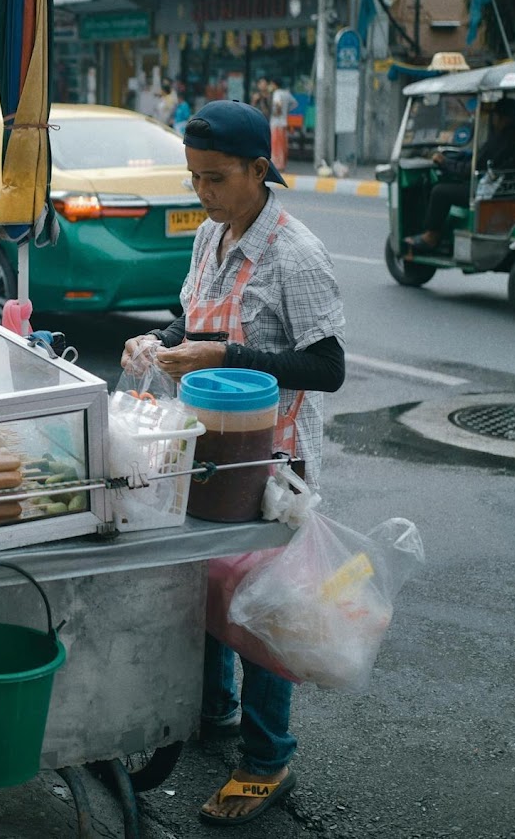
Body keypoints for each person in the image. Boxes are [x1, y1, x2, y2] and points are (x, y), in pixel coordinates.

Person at [120, 100, 345, 827]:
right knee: (207, 579)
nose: (204, 195)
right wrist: (157, 342)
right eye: (194, 179)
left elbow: (328, 365)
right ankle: (212, 708)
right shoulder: (212, 235)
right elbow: (190, 320)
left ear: (258, 169)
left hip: (275, 458)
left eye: (215, 179)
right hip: (208, 446)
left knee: (264, 608)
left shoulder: (295, 252)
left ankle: (268, 755)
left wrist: (227, 354)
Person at [407, 96, 515, 255]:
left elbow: (468, 171)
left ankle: (431, 236)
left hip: (491, 191)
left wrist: (444, 162)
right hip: (510, 188)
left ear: (500, 117)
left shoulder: (500, 140)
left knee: (440, 192)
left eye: (494, 116)